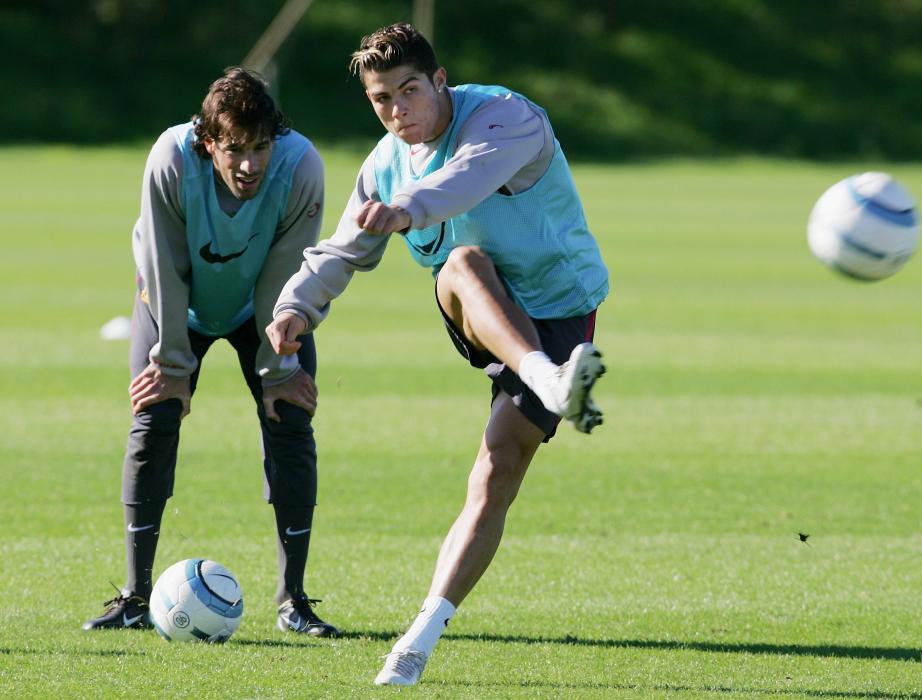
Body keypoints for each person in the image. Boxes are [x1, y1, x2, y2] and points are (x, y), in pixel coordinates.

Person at [266, 23, 609, 684]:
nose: (398, 110)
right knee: (461, 261)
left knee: (496, 471)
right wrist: (293, 307)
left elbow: (466, 179)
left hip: (562, 308)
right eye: (381, 98)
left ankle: (418, 639)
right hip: (483, 313)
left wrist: (406, 209)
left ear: (441, 81)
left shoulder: (508, 118)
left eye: (410, 90)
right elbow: (341, 249)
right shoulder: (384, 164)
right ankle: (550, 379)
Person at [82, 67, 339, 638]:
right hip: (176, 302)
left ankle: (293, 602)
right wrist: (173, 364)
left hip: (264, 307)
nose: (251, 165)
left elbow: (289, 274)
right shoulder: (171, 160)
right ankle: (134, 596)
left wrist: (279, 370)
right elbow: (162, 267)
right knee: (153, 419)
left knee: (290, 415)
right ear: (208, 143)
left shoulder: (301, 168)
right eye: (235, 149)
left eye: (261, 147)